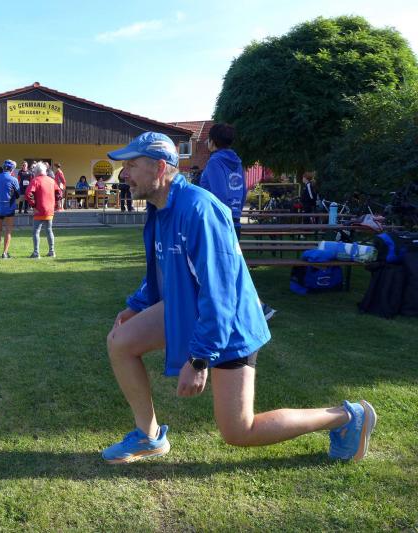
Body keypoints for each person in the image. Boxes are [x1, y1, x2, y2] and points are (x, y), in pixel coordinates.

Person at [101, 131, 376, 465]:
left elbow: (220, 294)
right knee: (120, 342)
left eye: (132, 165)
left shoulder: (199, 210)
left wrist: (199, 360)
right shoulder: (161, 208)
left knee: (239, 431)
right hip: (193, 308)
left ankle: (347, 416)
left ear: (159, 168)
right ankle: (148, 436)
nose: (124, 174)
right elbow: (162, 268)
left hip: (230, 323)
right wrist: (136, 306)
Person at [200, 123, 276, 321]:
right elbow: (242, 193)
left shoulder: (215, 162)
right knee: (227, 268)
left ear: (212, 141)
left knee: (226, 270)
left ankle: (259, 308)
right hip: (234, 221)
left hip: (219, 223)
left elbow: (219, 194)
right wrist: (235, 214)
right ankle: (248, 309)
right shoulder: (237, 161)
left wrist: (219, 219)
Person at [25, 161, 61, 258]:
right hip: (49, 210)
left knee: (36, 231)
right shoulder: (51, 180)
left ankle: (36, 253)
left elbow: (28, 194)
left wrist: (33, 205)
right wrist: (55, 203)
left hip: (39, 209)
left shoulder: (35, 180)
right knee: (49, 230)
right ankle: (52, 251)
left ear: (36, 171)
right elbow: (59, 193)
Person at [0, 159, 20, 259]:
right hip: (9, 207)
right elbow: (18, 194)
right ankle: (5, 253)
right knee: (8, 230)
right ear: (12, 169)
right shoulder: (13, 179)